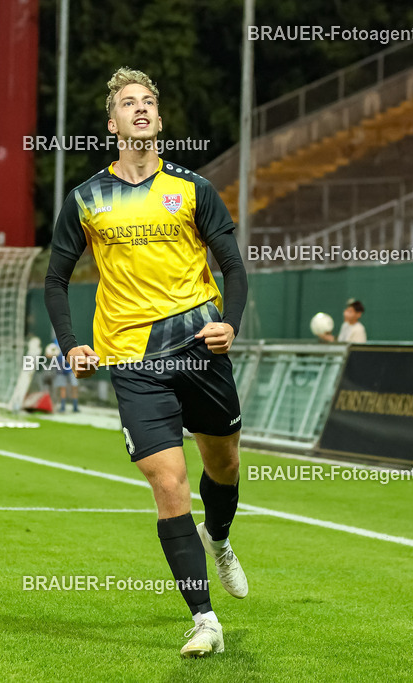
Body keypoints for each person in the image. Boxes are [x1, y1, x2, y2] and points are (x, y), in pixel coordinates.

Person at [44, 67, 248, 658]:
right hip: (132, 359)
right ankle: (204, 617)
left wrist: (229, 323)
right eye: (129, 103)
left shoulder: (192, 189)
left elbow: (233, 267)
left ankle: (222, 536)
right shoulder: (85, 198)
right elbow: (56, 280)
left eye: (149, 102)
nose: (140, 109)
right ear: (112, 124)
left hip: (198, 349)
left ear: (158, 121)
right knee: (168, 481)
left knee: (224, 464)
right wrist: (71, 342)